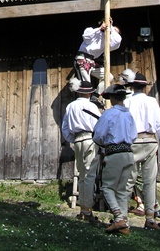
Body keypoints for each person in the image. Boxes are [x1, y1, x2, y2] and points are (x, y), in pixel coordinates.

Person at [120, 69, 160, 231]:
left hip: (132, 142)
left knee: (128, 180)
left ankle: (122, 218)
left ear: (133, 86)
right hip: (150, 141)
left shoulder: (127, 102)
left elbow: (122, 125)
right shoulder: (151, 102)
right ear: (145, 87)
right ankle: (150, 217)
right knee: (149, 181)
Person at [92, 84, 137, 235]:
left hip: (114, 154)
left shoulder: (109, 114)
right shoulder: (128, 115)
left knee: (107, 187)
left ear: (111, 98)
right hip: (129, 154)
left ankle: (118, 217)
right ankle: (124, 224)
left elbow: (98, 135)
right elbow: (134, 135)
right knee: (122, 190)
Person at [62, 79, 102, 222]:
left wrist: (73, 140)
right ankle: (87, 210)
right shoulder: (91, 106)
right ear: (90, 93)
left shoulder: (70, 106)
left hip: (78, 140)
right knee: (90, 174)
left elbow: (65, 128)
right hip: (91, 139)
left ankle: (83, 208)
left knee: (82, 175)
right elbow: (99, 125)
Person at [74, 18, 121, 94]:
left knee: (109, 77)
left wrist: (111, 27)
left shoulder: (107, 42)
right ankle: (86, 101)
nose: (113, 31)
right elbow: (86, 37)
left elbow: (117, 41)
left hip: (91, 61)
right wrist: (100, 28)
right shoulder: (92, 31)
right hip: (82, 59)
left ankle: (96, 96)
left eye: (115, 32)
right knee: (86, 85)